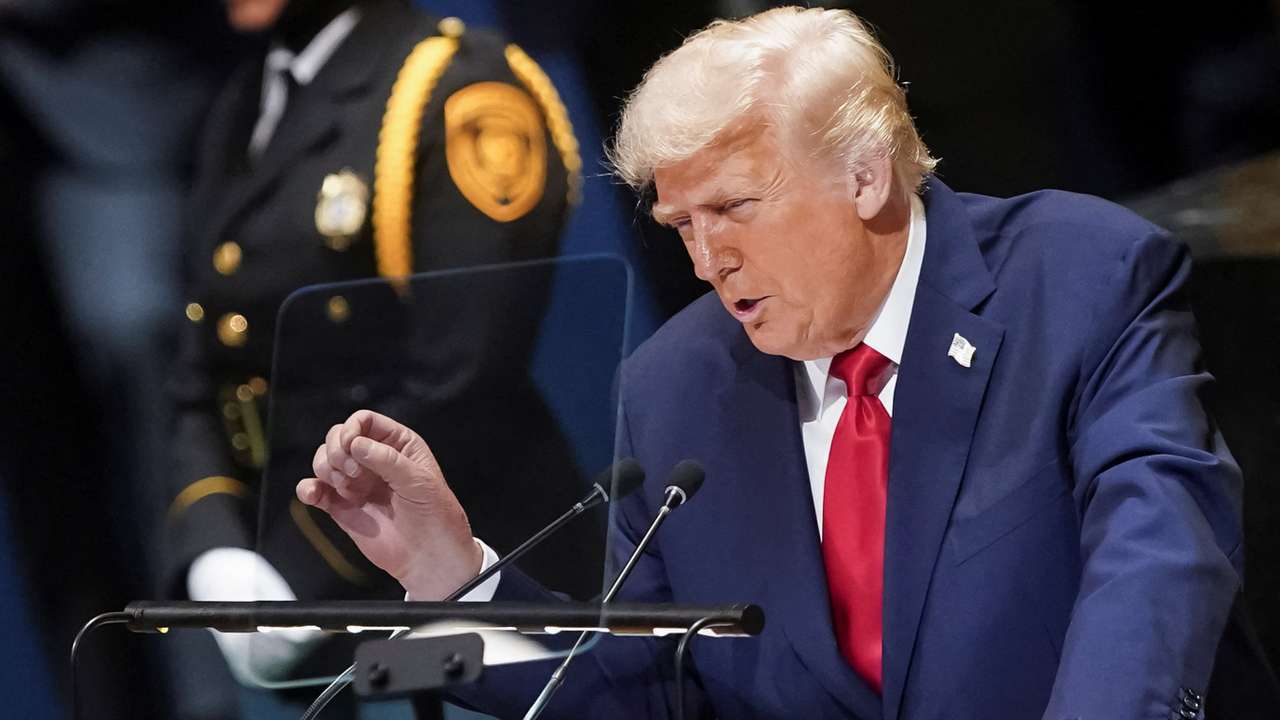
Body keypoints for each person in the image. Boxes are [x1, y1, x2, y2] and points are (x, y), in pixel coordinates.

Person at [299, 7, 1270, 718]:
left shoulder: (1073, 274)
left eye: (733, 207)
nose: (704, 259)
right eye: (680, 223)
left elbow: (1158, 550)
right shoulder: (679, 385)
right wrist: (453, 578)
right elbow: (638, 689)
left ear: (862, 173)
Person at [161, 0, 588, 696]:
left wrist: (295, 577)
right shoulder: (244, 105)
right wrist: (214, 552)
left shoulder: (457, 86)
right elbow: (202, 368)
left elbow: (464, 375)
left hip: (472, 601)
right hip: (303, 625)